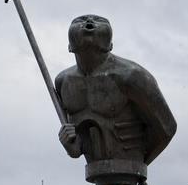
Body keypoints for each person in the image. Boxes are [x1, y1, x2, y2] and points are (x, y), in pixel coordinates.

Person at [56, 15, 176, 172]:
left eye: (99, 21)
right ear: (69, 46)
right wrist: (72, 144)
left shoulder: (132, 76)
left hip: (127, 166)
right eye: (80, 20)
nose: (89, 23)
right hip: (96, 170)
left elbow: (166, 127)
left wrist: (139, 163)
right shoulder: (63, 82)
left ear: (110, 44)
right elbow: (77, 137)